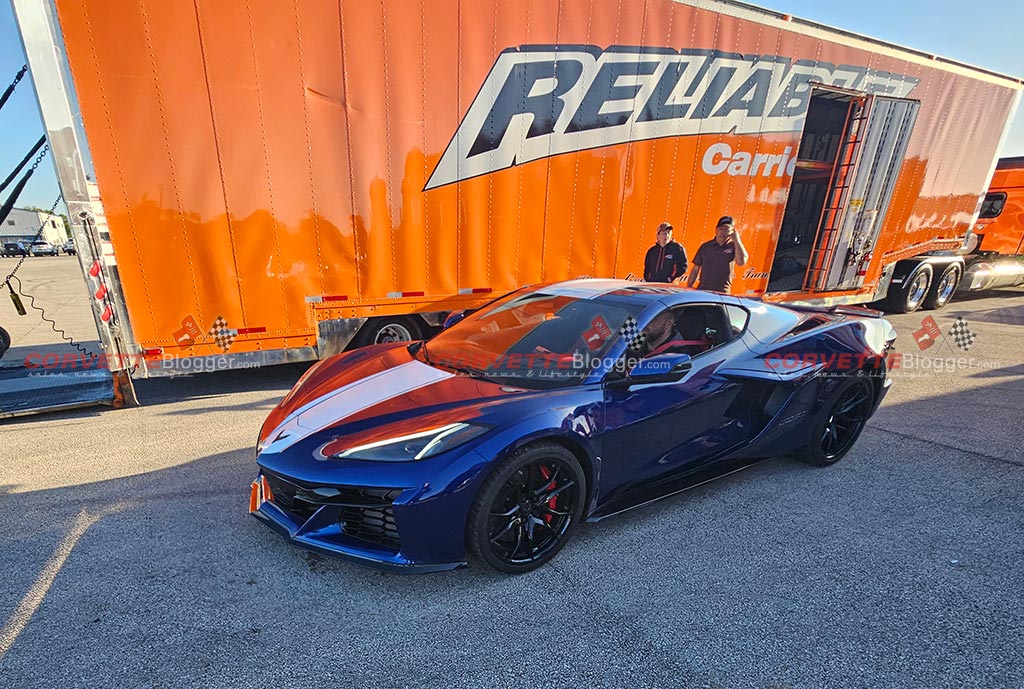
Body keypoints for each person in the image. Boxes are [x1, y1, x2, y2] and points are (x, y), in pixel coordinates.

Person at [687, 215, 748, 293]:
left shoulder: (734, 246)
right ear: (716, 230)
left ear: (732, 231)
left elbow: (741, 262)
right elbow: (695, 269)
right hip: (703, 290)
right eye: (721, 229)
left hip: (722, 292)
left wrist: (737, 239)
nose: (723, 232)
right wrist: (689, 287)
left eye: (726, 229)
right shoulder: (705, 247)